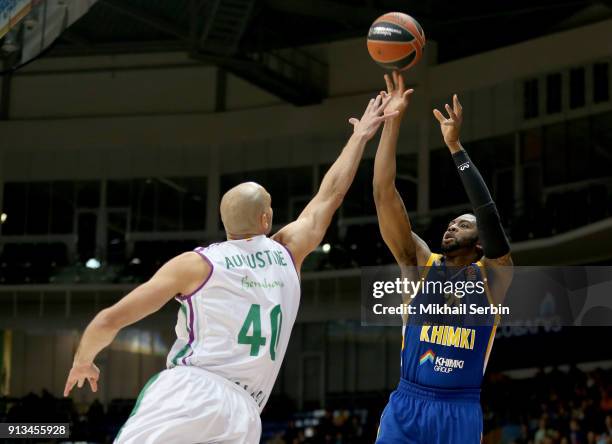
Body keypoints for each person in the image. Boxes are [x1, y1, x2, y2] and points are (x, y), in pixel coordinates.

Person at [63, 94, 399, 444]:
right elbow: (330, 194)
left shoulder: (196, 264)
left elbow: (109, 319)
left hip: (190, 391)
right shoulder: (287, 251)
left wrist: (83, 360)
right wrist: (360, 136)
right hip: (243, 412)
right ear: (266, 218)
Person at [372, 72, 513, 443]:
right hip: (407, 404)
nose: (452, 226)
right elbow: (384, 194)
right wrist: (393, 123)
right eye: (451, 222)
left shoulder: (494, 277)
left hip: (459, 410)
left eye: (464, 224)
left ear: (480, 243)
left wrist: (456, 148)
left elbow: (488, 214)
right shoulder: (419, 264)